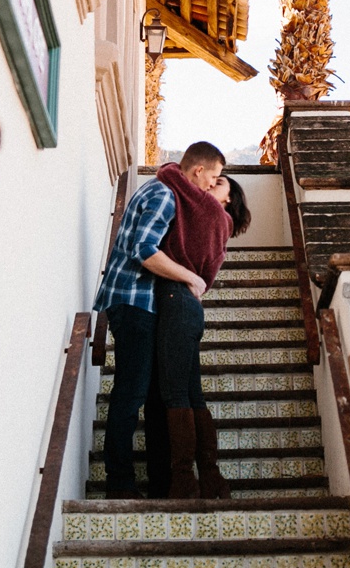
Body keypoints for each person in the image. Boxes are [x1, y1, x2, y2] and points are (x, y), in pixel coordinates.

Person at [91, 142, 224, 500]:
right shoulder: (165, 195)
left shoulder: (161, 189)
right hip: (133, 302)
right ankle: (119, 485)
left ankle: (157, 482)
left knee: (148, 393)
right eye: (212, 178)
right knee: (130, 393)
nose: (212, 186)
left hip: (141, 304)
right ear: (198, 170)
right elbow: (144, 250)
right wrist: (191, 278)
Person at [153, 171, 254, 498]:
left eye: (219, 182)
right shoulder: (220, 228)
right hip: (191, 307)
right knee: (193, 395)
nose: (211, 183)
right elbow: (205, 280)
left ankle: (183, 479)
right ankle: (211, 478)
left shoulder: (209, 210)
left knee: (175, 395)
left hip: (174, 298)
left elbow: (170, 173)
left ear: (226, 199)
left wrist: (183, 169)